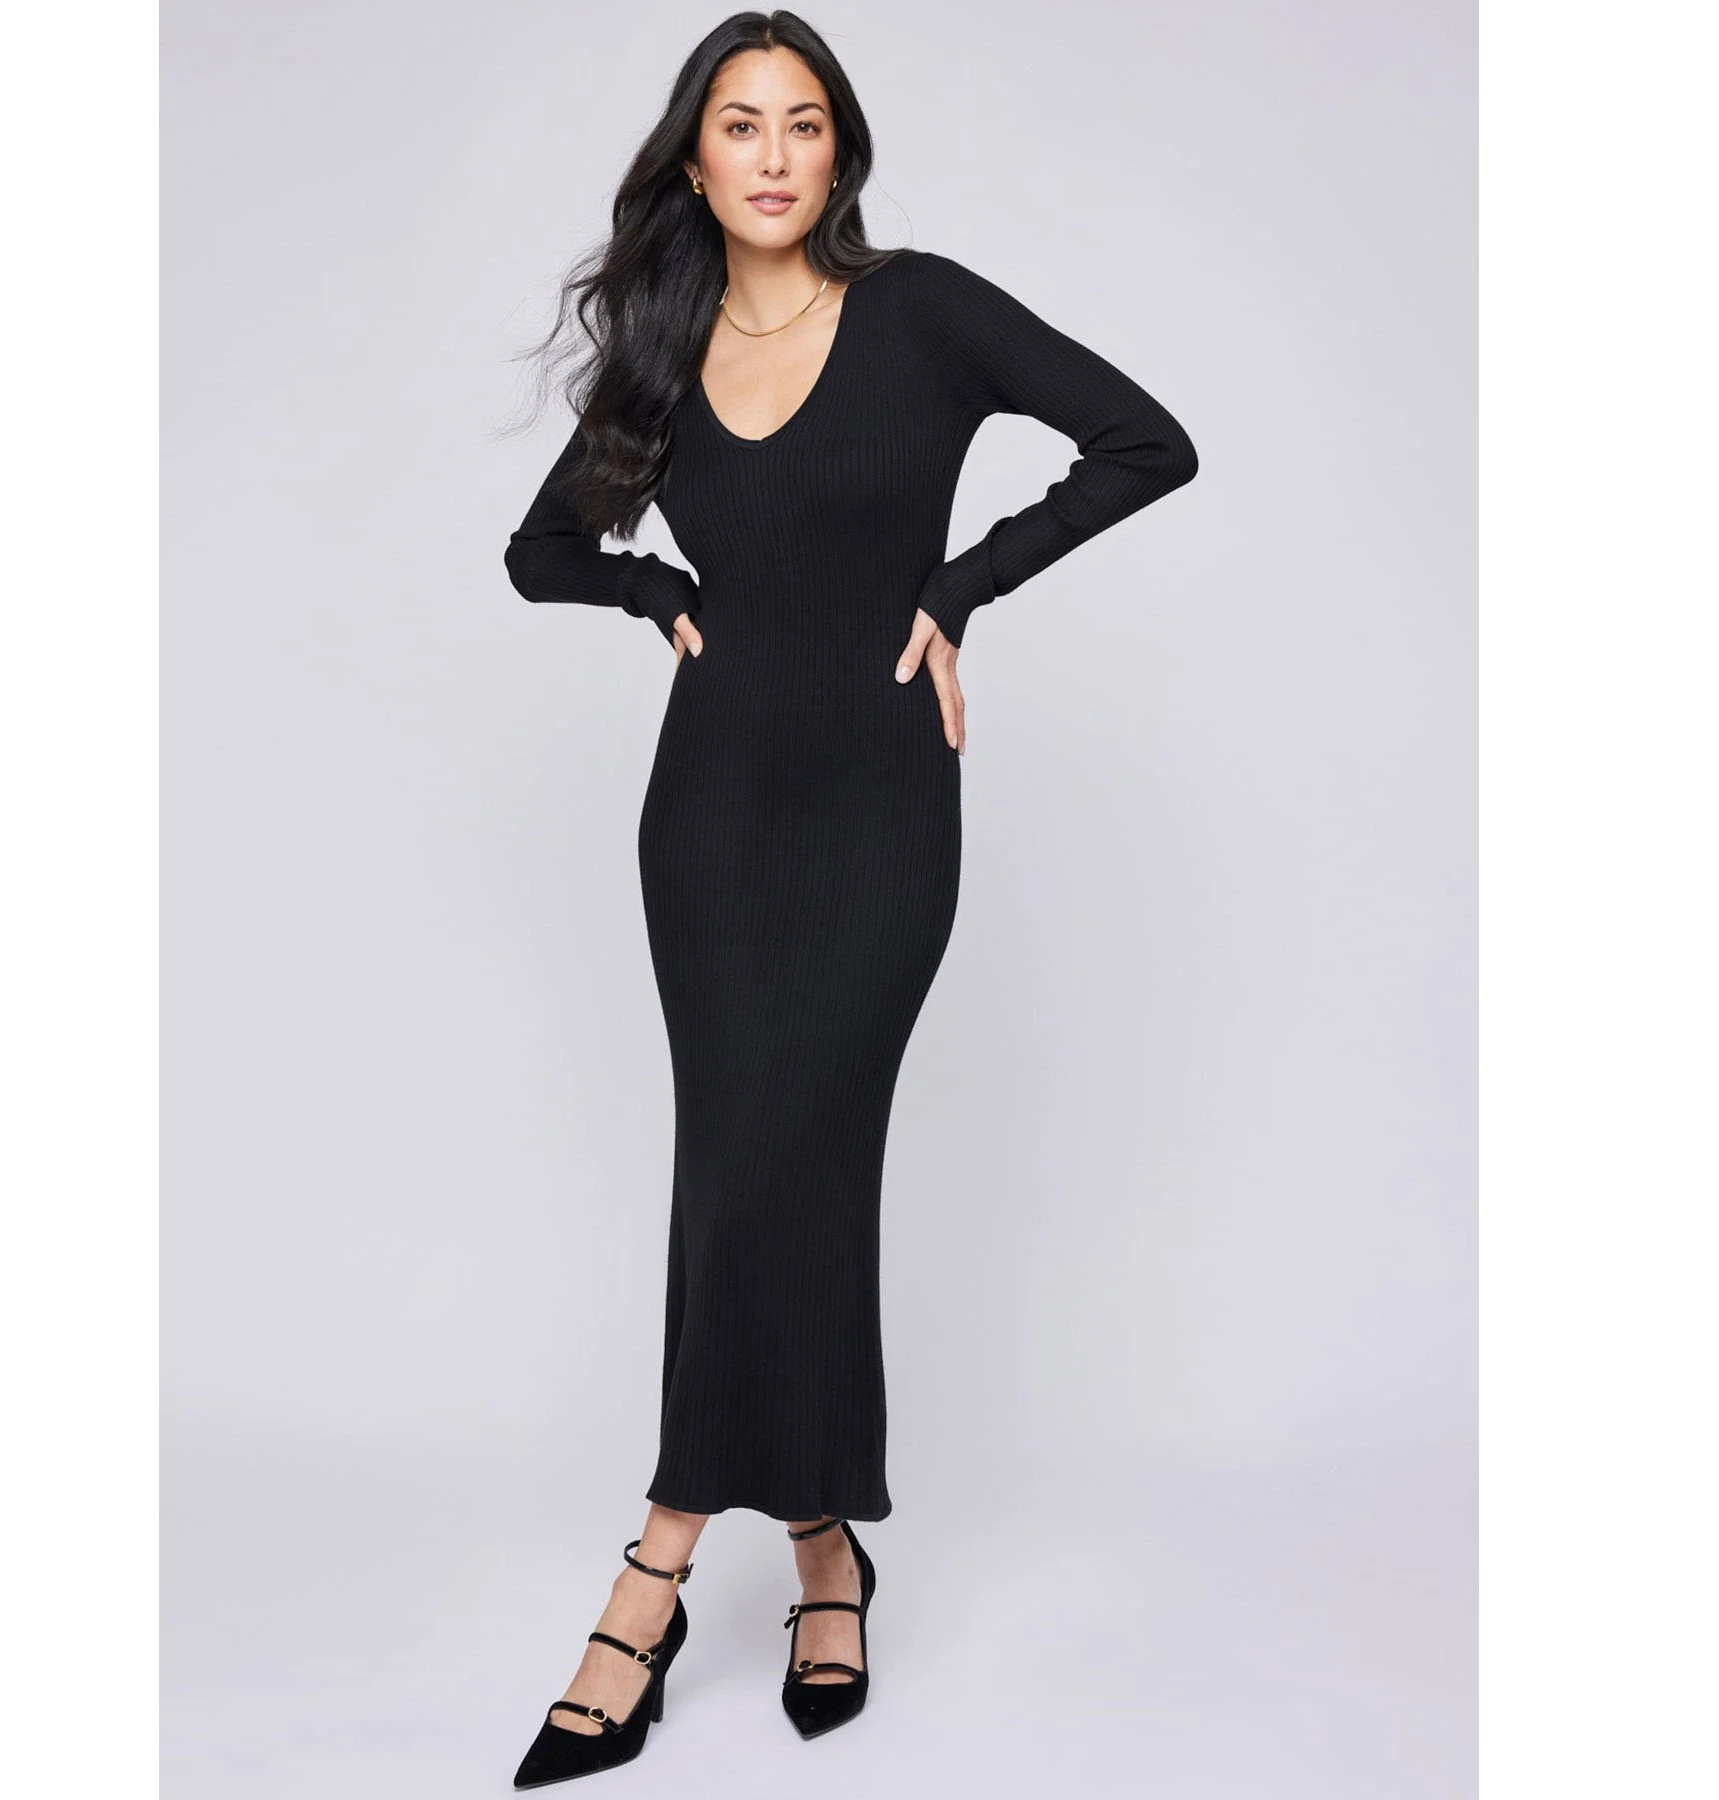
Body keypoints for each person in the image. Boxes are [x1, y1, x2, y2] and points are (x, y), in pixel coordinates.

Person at [501, 12, 1197, 1785]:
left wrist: (960, 589)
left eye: (803, 123)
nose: (773, 154)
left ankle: (653, 1572)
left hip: (883, 806)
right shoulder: (665, 351)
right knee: (746, 1162)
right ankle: (824, 1551)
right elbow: (539, 551)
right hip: (712, 816)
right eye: (740, 125)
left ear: (840, 150)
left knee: (789, 1154)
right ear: (694, 157)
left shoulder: (923, 311)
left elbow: (1146, 441)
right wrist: (652, 591)